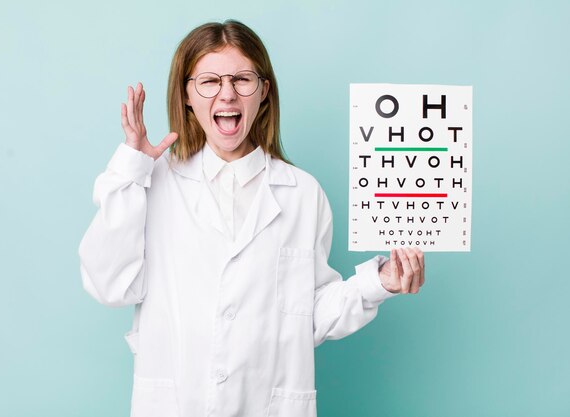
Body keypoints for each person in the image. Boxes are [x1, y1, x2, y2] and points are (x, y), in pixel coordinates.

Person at [79, 19, 424, 417]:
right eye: (209, 81)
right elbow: (108, 284)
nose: (227, 94)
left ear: (264, 91)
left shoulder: (303, 194)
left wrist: (379, 283)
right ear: (187, 95)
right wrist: (130, 170)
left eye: (242, 79)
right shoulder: (153, 184)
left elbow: (305, 318)